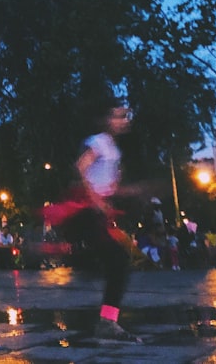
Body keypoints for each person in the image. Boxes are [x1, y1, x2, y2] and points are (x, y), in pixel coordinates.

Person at [69, 103, 141, 343]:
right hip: (88, 213)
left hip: (98, 213)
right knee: (118, 261)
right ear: (106, 119)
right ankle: (107, 321)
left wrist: (118, 191)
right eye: (118, 116)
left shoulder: (112, 147)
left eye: (125, 116)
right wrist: (96, 199)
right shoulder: (99, 141)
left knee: (117, 261)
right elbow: (81, 166)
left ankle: (107, 319)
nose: (124, 120)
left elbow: (105, 179)